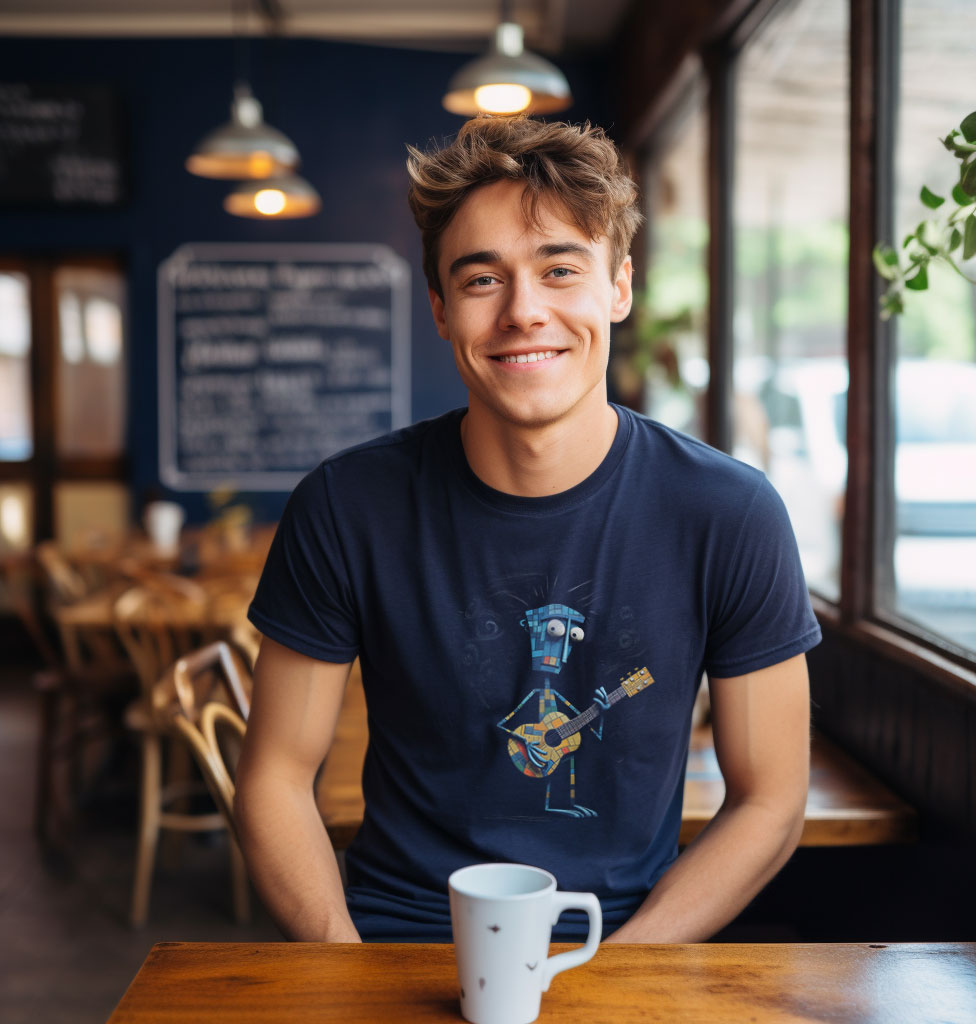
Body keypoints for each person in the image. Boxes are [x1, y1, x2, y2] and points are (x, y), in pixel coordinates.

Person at [235, 115, 820, 944]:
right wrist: (341, 965)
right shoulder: (345, 505)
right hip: (394, 938)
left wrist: (620, 970)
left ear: (619, 286)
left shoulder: (730, 513)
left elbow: (771, 800)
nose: (523, 312)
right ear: (440, 309)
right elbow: (276, 781)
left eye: (560, 270)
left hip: (625, 940)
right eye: (482, 281)